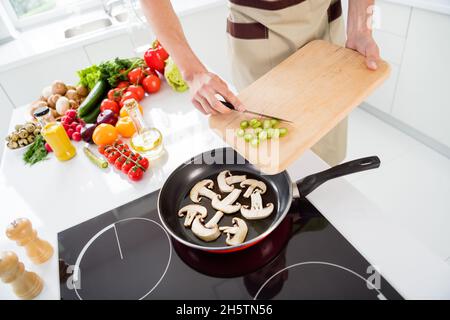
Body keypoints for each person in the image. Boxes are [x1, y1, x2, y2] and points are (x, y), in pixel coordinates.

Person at [140, 0, 380, 166]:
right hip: (258, 33)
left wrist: (361, 28)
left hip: (326, 23)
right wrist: (192, 72)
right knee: (275, 152)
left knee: (327, 143)